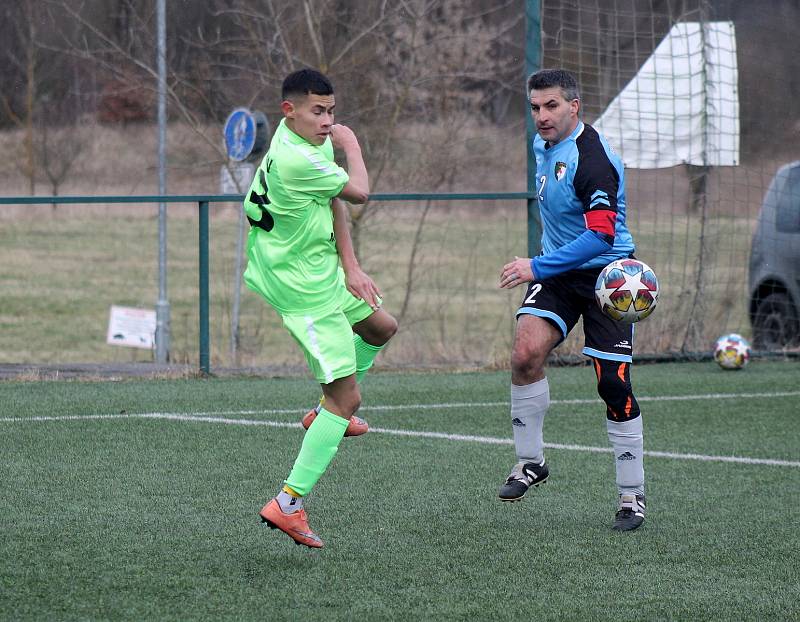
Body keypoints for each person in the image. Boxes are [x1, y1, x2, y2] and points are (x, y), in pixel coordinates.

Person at [243, 68, 397, 548]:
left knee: (380, 327)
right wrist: (351, 144)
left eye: (332, 112)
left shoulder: (302, 143)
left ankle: (324, 412)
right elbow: (358, 192)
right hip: (302, 289)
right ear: (289, 111)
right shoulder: (297, 159)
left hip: (321, 271)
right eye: (318, 111)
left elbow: (332, 205)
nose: (328, 120)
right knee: (347, 399)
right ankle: (287, 502)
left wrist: (352, 266)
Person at [497, 69, 646, 531]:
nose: (541, 116)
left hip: (608, 277)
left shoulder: (594, 159)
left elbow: (601, 236)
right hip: (560, 273)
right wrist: (548, 266)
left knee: (612, 385)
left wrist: (536, 266)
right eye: (535, 107)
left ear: (574, 107)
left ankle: (631, 495)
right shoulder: (541, 145)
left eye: (552, 106)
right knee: (524, 355)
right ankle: (531, 463)